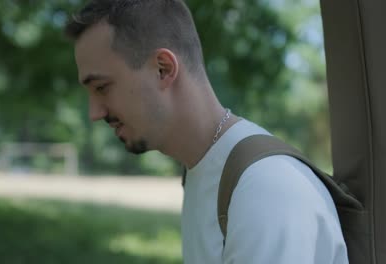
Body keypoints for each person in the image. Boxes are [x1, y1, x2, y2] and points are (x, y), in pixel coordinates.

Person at [64, 0, 348, 263]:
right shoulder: (202, 167)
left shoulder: (265, 187)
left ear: (163, 69)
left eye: (102, 88)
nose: (94, 113)